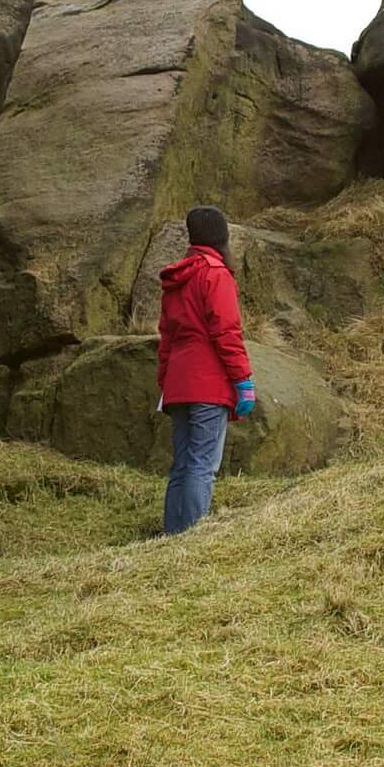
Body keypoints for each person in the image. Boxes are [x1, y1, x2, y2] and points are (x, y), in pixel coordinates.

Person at [155, 204, 255, 534]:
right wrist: (243, 380)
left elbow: (166, 337)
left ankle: (172, 536)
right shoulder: (215, 274)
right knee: (203, 466)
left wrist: (165, 382)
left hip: (179, 383)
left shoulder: (177, 278)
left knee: (182, 464)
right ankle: (193, 538)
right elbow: (226, 332)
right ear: (222, 236)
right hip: (208, 382)